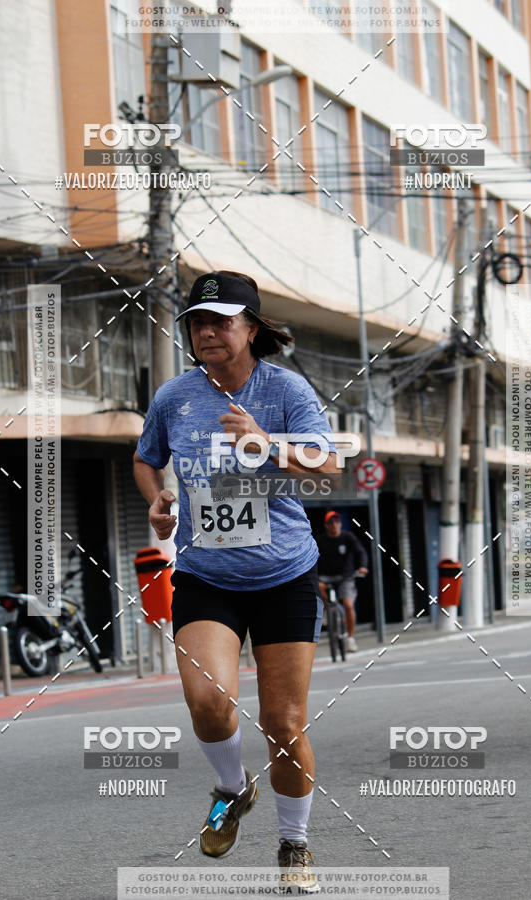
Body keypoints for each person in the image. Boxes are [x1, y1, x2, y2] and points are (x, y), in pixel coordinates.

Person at [133, 270, 340, 892]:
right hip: (206, 576)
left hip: (285, 576)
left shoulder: (287, 390)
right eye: (198, 321)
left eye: (222, 321)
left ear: (251, 328)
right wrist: (158, 499)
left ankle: (294, 844)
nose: (208, 331)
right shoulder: (175, 397)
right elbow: (146, 458)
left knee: (283, 724)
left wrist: (266, 443)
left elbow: (327, 472)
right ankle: (230, 786)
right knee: (207, 702)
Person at [316, 511, 369, 652]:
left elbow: (361, 552)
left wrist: (363, 566)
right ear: (326, 525)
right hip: (326, 577)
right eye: (331, 522)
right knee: (319, 587)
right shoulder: (320, 540)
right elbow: (312, 558)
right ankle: (328, 611)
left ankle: (351, 639)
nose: (334, 525)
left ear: (340, 523)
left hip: (346, 577)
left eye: (337, 521)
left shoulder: (348, 537)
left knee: (348, 605)